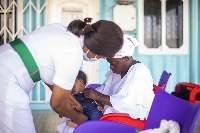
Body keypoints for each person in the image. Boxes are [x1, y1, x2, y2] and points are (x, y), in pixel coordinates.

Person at [0, 17, 123, 133]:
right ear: (98, 49)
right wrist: (79, 118)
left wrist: (72, 101)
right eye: (101, 57)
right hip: (7, 79)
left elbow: (47, 72)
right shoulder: (73, 52)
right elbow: (57, 104)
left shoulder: (63, 30)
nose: (97, 59)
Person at [57, 34, 155, 133]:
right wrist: (86, 94)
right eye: (109, 63)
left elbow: (128, 105)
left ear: (126, 58)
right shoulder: (119, 71)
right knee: (74, 115)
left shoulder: (139, 72)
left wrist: (97, 96)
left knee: (76, 125)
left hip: (123, 119)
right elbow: (104, 90)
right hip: (109, 112)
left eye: (113, 63)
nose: (111, 67)